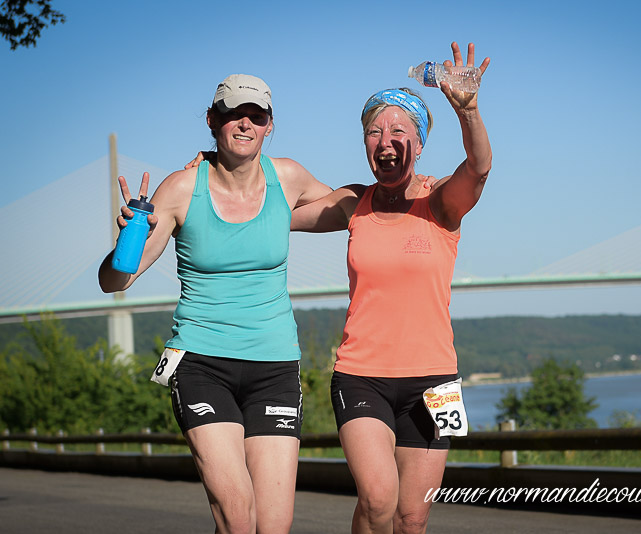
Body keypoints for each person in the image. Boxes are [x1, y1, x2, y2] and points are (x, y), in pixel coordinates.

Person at [98, 74, 334, 534]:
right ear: (212, 120)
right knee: (236, 512)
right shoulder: (181, 188)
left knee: (273, 525)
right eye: (232, 114)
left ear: (269, 125)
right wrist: (129, 237)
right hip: (202, 363)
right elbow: (115, 281)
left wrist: (414, 188)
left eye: (256, 116)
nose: (245, 123)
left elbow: (355, 208)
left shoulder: (288, 178)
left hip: (274, 366)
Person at [291, 41, 491, 534]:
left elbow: (479, 168)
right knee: (378, 500)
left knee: (412, 517)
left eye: (399, 130)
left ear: (419, 144)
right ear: (365, 144)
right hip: (362, 375)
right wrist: (217, 174)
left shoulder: (440, 202)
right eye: (374, 131)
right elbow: (272, 215)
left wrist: (468, 112)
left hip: (434, 380)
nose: (386, 139)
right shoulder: (352, 203)